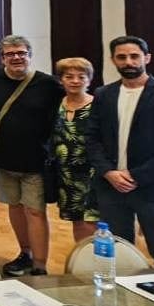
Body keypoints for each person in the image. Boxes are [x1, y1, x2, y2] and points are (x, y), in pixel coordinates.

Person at [86, 36, 154, 263]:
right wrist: (109, 172)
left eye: (134, 56)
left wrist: (135, 176)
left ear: (147, 58)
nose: (128, 62)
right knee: (118, 254)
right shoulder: (103, 94)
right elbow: (92, 139)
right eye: (121, 57)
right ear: (113, 60)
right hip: (111, 186)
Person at [0, 35, 63, 276]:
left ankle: (40, 265)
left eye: (21, 53)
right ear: (2, 58)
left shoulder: (48, 85)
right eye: (10, 54)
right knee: (14, 207)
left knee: (36, 211)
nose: (16, 57)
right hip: (3, 159)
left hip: (36, 161)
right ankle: (24, 253)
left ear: (30, 55)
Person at [51, 57, 100, 242]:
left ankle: (97, 256)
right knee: (77, 220)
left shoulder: (98, 105)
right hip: (66, 173)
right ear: (61, 80)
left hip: (93, 172)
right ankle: (82, 256)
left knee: (93, 220)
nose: (75, 81)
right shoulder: (56, 105)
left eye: (81, 76)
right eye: (69, 76)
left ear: (89, 80)